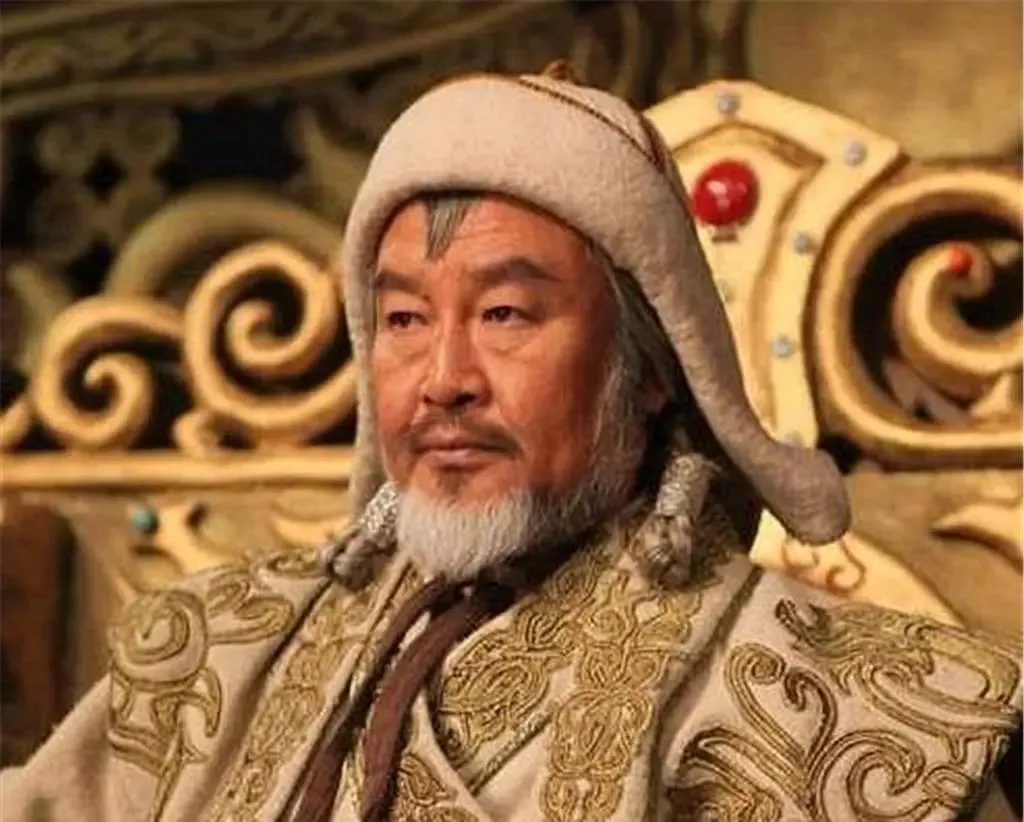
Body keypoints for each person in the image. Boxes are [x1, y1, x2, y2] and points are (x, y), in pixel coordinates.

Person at [3, 63, 1020, 822]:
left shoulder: (832, 713)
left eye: (505, 315)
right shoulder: (219, 654)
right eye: (405, 320)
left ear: (651, 367)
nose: (443, 377)